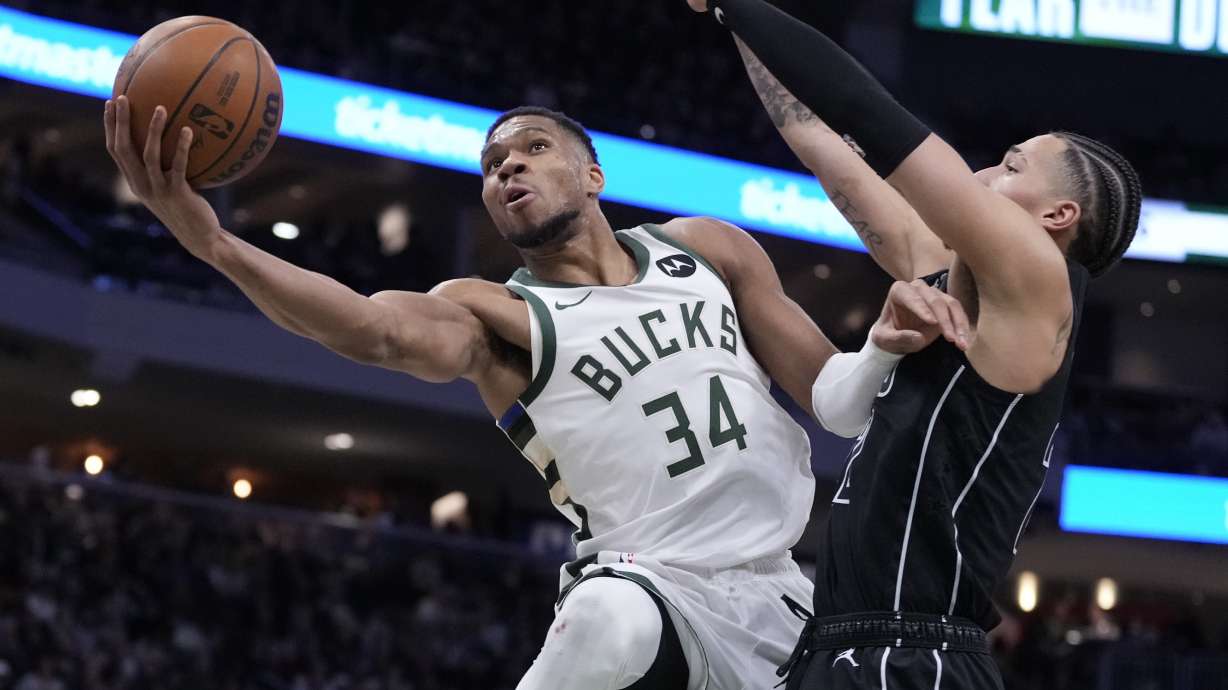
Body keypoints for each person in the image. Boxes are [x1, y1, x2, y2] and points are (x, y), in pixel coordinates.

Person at [104, 95, 969, 689]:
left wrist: (880, 350)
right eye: (492, 165)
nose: (508, 168)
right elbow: (369, 327)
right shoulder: (495, 315)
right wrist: (216, 243)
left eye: (533, 149)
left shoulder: (710, 248)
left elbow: (836, 402)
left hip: (784, 593)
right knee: (607, 619)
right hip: (649, 582)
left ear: (593, 176)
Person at [687, 1, 1143, 688]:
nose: (985, 176)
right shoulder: (939, 268)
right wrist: (733, 25)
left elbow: (869, 116)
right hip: (839, 643)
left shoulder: (1045, 284)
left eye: (1011, 166)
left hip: (915, 654)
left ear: (1058, 216)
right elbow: (820, 138)